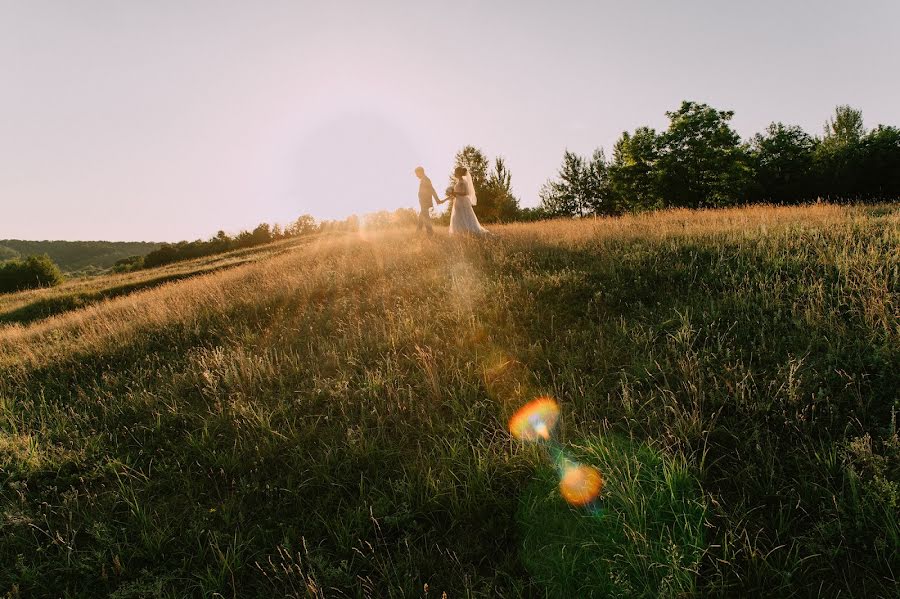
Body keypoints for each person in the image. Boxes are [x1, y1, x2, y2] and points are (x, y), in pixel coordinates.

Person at [448, 166, 490, 236]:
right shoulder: (458, 182)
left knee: (465, 216)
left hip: (463, 202)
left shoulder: (464, 182)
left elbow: (466, 193)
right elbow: (458, 194)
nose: (454, 174)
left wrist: (455, 193)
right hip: (458, 202)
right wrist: (452, 194)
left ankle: (468, 231)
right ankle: (459, 233)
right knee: (458, 217)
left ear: (459, 173)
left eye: (455, 172)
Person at [414, 166, 441, 234]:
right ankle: (418, 232)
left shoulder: (426, 179)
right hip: (423, 202)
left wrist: (437, 199)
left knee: (425, 218)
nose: (416, 176)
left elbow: (432, 190)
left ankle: (430, 232)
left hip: (425, 202)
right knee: (422, 218)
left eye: (417, 174)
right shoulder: (423, 179)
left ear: (420, 172)